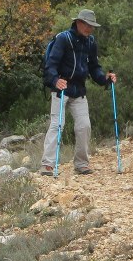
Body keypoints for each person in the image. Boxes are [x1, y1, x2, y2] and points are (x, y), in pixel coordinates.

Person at [40, 9, 117, 176]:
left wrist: (105, 79)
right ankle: (48, 165)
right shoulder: (63, 39)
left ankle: (81, 163)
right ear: (78, 23)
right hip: (61, 88)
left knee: (84, 126)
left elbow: (94, 68)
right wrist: (54, 80)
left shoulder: (90, 43)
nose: (89, 29)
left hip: (79, 90)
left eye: (92, 26)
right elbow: (51, 65)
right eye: (87, 25)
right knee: (57, 125)